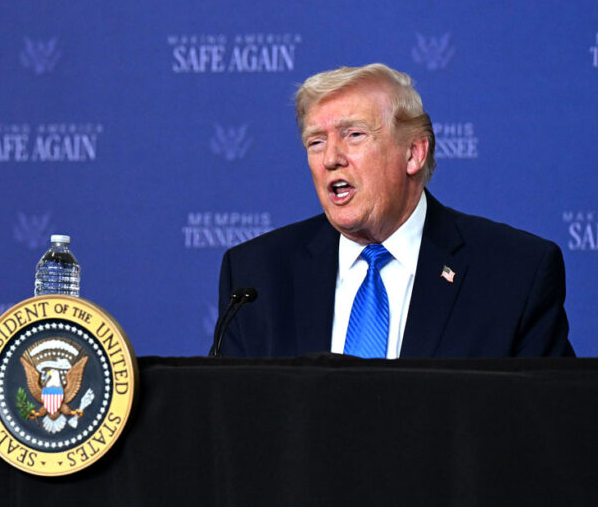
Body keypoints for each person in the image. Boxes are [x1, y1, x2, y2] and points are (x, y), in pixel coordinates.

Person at [216, 63, 573, 358]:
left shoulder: (513, 274)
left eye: (354, 135)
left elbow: (548, 424)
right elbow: (225, 420)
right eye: (316, 142)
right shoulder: (256, 276)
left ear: (414, 153)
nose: (330, 159)